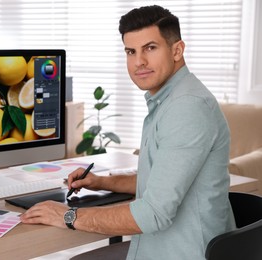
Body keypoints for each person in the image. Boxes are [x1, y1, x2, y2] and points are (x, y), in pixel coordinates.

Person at [20, 5, 236, 259]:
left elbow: (153, 213)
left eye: (150, 48)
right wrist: (102, 182)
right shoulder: (172, 99)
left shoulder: (186, 107)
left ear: (177, 50)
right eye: (131, 51)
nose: (138, 62)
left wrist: (67, 215)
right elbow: (163, 179)